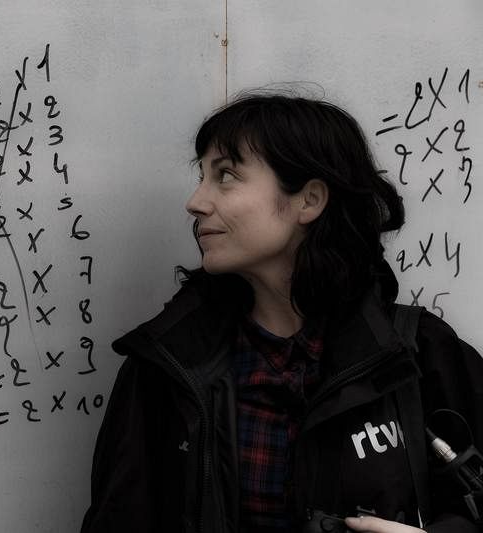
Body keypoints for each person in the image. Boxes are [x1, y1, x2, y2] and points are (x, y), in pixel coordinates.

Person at [80, 93, 483, 533]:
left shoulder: (418, 353)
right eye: (201, 176)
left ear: (308, 200)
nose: (195, 202)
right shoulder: (168, 366)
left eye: (225, 175)